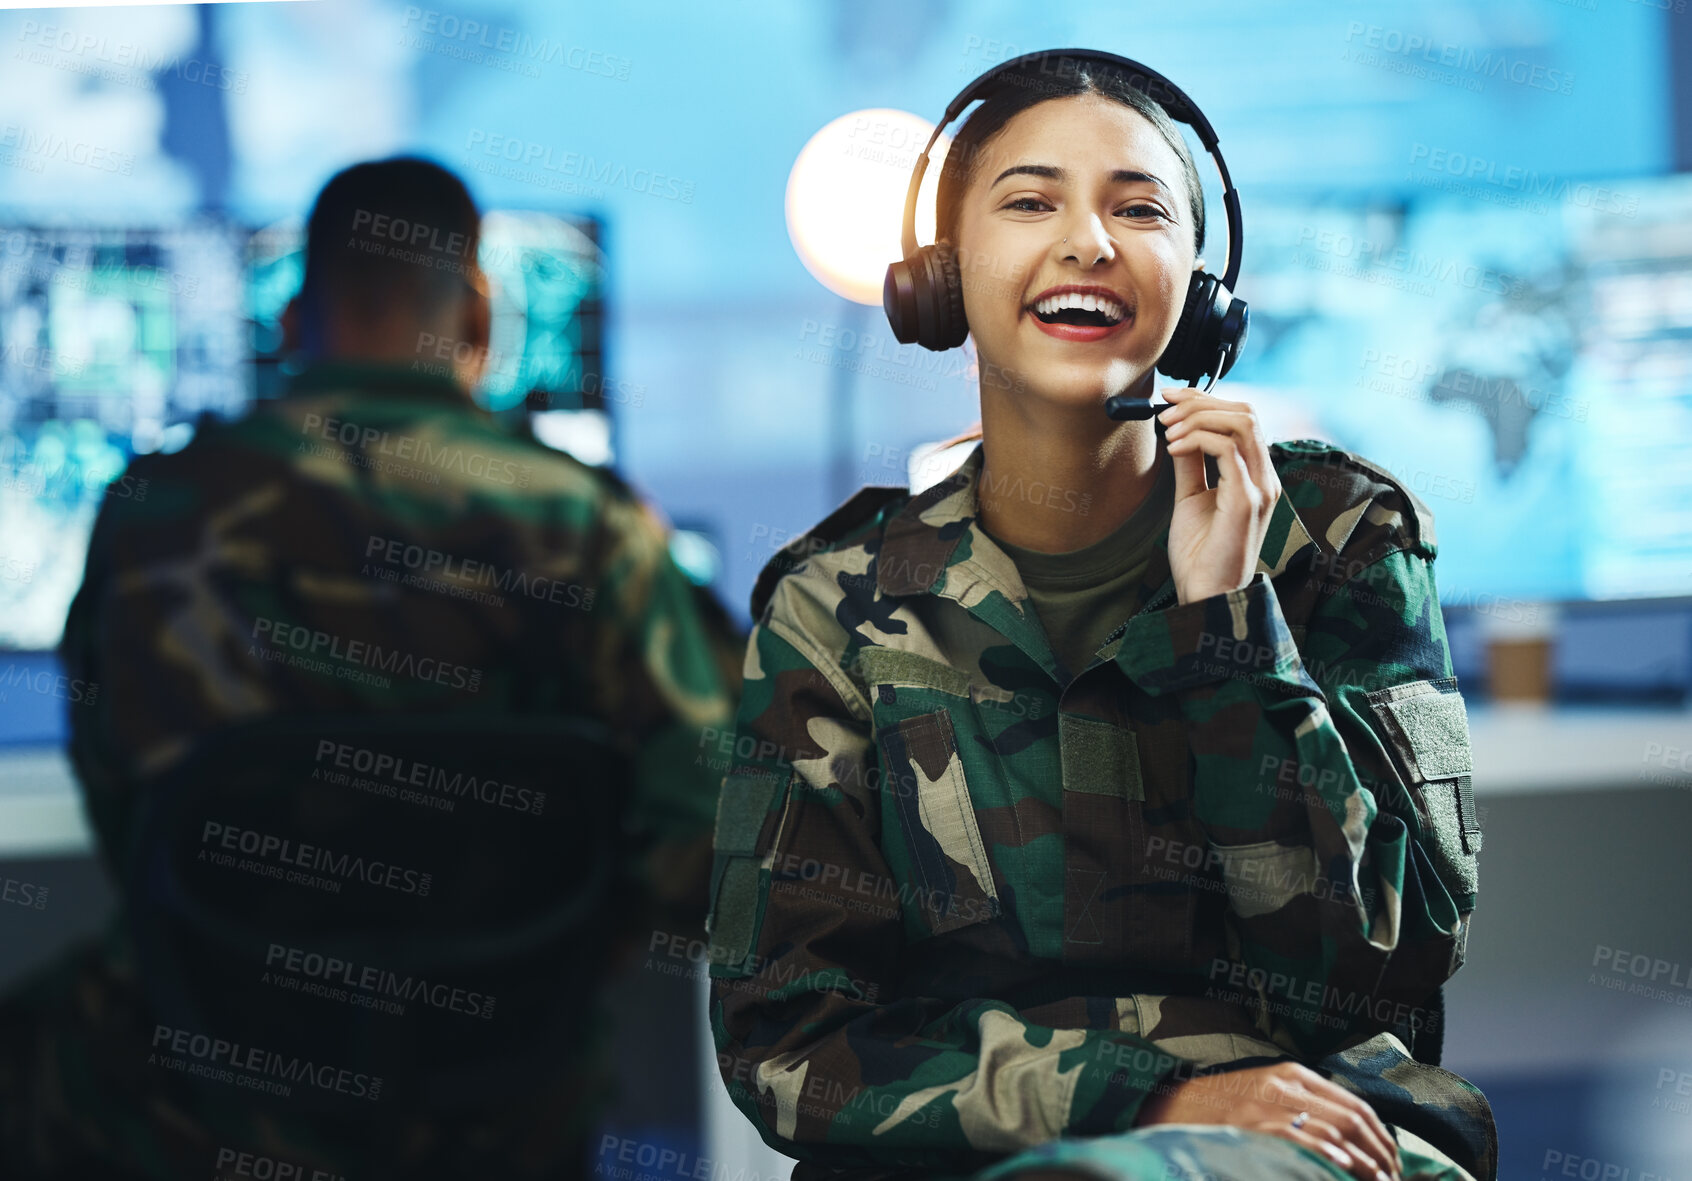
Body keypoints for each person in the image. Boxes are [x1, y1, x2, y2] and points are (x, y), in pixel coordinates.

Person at [706, 54, 1494, 1181]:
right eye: (1030, 201)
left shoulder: (1331, 540)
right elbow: (788, 1046)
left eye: (1139, 208)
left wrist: (1228, 625)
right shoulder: (836, 600)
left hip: (1299, 1139)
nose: (1090, 241)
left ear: (1201, 288)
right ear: (940, 274)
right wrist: (1147, 1094)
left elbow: (1389, 956)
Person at [0, 156, 743, 1179]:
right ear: (480, 319)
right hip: (499, 1115)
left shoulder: (157, 512)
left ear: (294, 317)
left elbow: (132, 817)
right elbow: (710, 846)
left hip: (197, 1112)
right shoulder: (589, 527)